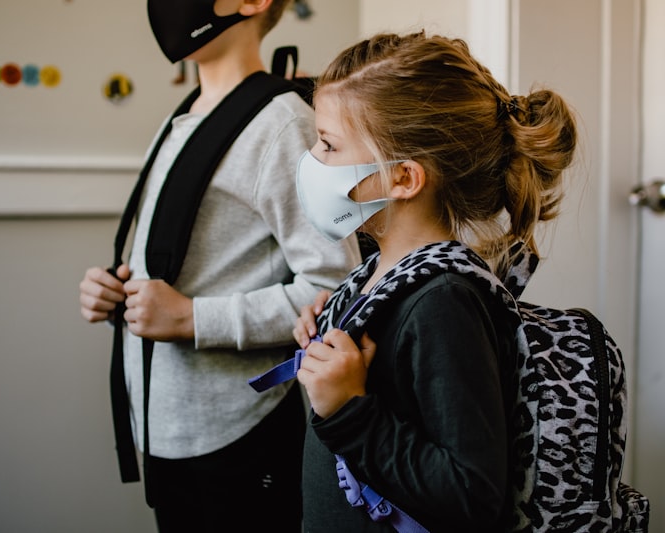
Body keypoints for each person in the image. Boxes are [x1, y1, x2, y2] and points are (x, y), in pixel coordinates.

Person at [78, 1, 360, 531]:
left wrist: (191, 319)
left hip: (237, 431)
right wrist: (115, 288)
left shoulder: (281, 124)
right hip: (163, 426)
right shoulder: (180, 118)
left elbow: (336, 287)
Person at [291, 31, 578, 532]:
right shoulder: (383, 272)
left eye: (328, 145)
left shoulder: (443, 303)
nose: (312, 159)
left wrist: (349, 411)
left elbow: (471, 495)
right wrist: (333, 323)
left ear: (404, 178)